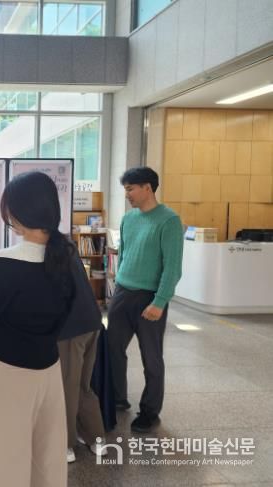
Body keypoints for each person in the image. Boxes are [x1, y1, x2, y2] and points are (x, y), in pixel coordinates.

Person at [0, 171, 75, 487]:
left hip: (6, 372)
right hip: (48, 369)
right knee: (47, 460)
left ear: (16, 214)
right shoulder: (64, 257)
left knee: (2, 461)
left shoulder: (3, 262)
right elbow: (65, 313)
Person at [108, 166, 183, 433]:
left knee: (151, 358)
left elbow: (172, 268)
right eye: (125, 189)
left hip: (149, 298)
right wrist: (118, 285)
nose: (127, 194)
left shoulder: (169, 221)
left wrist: (159, 302)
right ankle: (117, 397)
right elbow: (124, 255)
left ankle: (150, 411)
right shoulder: (129, 219)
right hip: (122, 293)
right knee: (112, 349)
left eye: (130, 189)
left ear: (147, 188)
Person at [57, 250, 105, 464]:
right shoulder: (66, 247)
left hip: (71, 328)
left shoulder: (46, 250)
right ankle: (96, 438)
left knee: (68, 386)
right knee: (82, 385)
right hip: (91, 322)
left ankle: (66, 444)